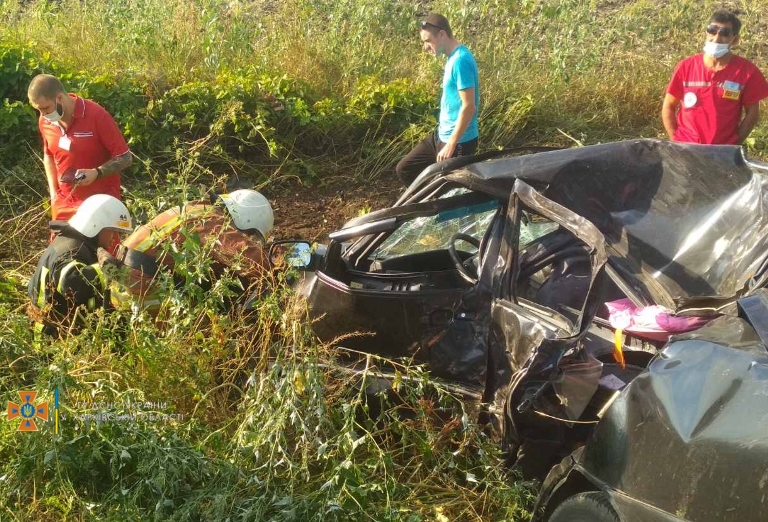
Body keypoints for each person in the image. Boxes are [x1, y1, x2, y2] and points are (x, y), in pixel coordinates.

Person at [109, 189, 274, 316]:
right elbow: (246, 256)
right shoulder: (213, 222)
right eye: (250, 235)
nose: (247, 238)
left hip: (124, 281)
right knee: (208, 333)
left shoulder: (199, 210)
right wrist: (279, 279)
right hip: (140, 287)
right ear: (247, 220)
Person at [27, 74, 132, 223]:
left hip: (101, 203)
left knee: (101, 247)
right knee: (62, 246)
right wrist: (53, 194)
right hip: (64, 203)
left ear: (59, 98)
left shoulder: (96, 115)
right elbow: (48, 155)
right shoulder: (45, 121)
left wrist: (97, 173)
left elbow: (125, 157)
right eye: (39, 110)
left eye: (46, 108)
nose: (43, 115)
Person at [27, 194, 133, 339]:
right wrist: (110, 270)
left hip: (69, 335)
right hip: (53, 344)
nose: (115, 238)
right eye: (113, 231)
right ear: (96, 225)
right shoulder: (70, 250)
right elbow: (71, 284)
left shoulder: (78, 243)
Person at [395, 13, 480, 185]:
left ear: (442, 34)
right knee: (405, 168)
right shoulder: (452, 58)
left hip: (459, 143)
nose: (425, 47)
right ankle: (429, 206)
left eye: (427, 41)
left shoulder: (460, 61)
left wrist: (451, 144)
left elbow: (469, 106)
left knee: (452, 193)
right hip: (441, 135)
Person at [662, 9, 768, 145]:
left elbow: (752, 113)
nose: (716, 38)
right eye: (712, 30)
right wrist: (675, 140)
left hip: (721, 152)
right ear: (706, 32)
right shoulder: (686, 66)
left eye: (724, 33)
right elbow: (668, 106)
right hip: (686, 148)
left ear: (735, 40)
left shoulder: (747, 72)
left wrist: (734, 145)